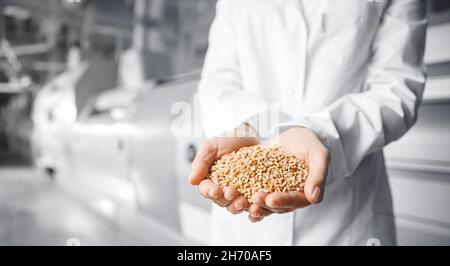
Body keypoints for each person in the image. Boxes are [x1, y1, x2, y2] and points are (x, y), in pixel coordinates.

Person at [189, 0, 427, 245]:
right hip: (244, 233)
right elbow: (218, 82)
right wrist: (248, 125)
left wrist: (320, 134)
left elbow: (397, 87)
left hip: (347, 221)